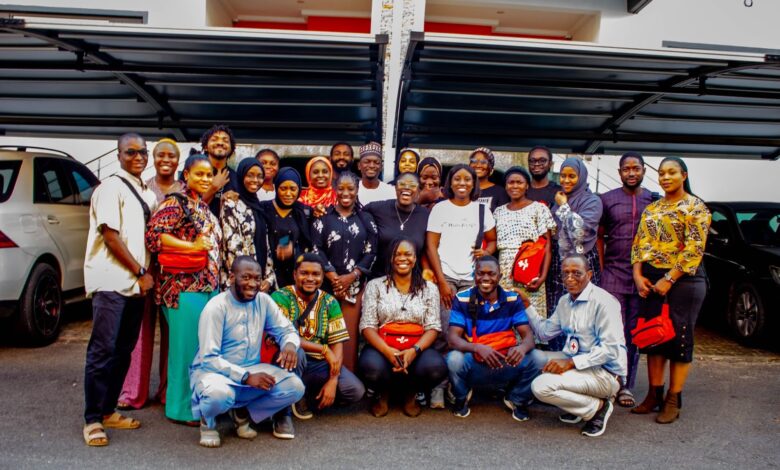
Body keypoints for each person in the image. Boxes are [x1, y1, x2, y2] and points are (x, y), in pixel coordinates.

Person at [82, 133, 157, 446]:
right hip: (112, 281)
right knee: (102, 349)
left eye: (142, 152)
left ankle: (109, 409)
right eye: (131, 152)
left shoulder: (146, 192)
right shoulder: (111, 187)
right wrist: (140, 271)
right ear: (119, 154)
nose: (138, 157)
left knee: (124, 350)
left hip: (134, 286)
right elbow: (110, 237)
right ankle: (92, 420)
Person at [190, 256, 304, 447]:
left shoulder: (263, 301)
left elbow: (286, 330)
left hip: (251, 367)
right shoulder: (216, 307)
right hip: (214, 373)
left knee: (295, 387)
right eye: (246, 277)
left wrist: (290, 344)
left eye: (257, 278)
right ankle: (208, 422)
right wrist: (246, 377)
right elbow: (208, 358)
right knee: (218, 395)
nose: (252, 284)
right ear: (232, 278)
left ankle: (242, 413)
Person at [630, 156, 711, 424]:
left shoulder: (695, 207)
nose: (665, 177)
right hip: (652, 279)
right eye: (662, 173)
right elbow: (640, 243)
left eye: (671, 173)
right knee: (654, 338)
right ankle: (654, 394)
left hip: (684, 280)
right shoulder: (652, 209)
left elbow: (693, 250)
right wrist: (638, 275)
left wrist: (670, 278)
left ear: (683, 175)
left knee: (679, 340)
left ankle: (673, 399)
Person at [145, 153, 222, 425]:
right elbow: (154, 236)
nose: (204, 178)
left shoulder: (200, 205)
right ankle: (182, 409)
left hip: (205, 286)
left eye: (209, 174)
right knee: (185, 351)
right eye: (198, 173)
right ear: (186, 175)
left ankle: (195, 402)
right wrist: (192, 247)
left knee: (198, 349)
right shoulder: (175, 202)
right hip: (182, 288)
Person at [528, 254, 628, 438]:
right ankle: (578, 408)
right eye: (565, 274)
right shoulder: (565, 301)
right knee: (533, 359)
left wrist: (571, 363)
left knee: (540, 386)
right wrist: (527, 306)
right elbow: (544, 332)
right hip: (577, 364)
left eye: (576, 273)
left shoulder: (604, 302)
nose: (570, 279)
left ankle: (597, 408)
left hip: (606, 374)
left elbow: (610, 350)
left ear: (589, 274)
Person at [117, 139, 183, 411]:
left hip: (175, 271)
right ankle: (133, 392)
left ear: (179, 161)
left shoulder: (186, 190)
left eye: (172, 156)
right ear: (153, 159)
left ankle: (168, 390)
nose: (165, 159)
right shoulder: (142, 188)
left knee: (173, 333)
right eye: (160, 155)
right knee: (140, 330)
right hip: (145, 267)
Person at [426, 163, 496, 408]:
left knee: (470, 334)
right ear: (450, 183)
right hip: (446, 278)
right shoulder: (440, 209)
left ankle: (461, 386)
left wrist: (485, 251)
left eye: (468, 179)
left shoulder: (482, 210)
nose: (462, 183)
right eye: (457, 179)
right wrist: (442, 282)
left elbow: (492, 241)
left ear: (474, 183)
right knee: (444, 335)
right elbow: (431, 246)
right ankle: (438, 387)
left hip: (472, 279)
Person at [446, 256, 542, 422]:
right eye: (480, 273)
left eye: (491, 274)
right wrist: (477, 347)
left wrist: (521, 348)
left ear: (500, 276)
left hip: (504, 360)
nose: (485, 278)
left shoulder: (512, 299)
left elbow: (528, 338)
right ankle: (461, 397)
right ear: (473, 275)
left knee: (538, 358)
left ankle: (516, 398)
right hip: (476, 361)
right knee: (454, 359)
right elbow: (453, 339)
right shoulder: (462, 299)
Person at [358, 238, 447, 417]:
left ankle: (410, 395)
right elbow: (367, 326)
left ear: (415, 259)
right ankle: (383, 395)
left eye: (408, 254)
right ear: (390, 258)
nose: (402, 258)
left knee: (436, 367)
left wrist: (413, 351)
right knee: (370, 367)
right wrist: (388, 352)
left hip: (416, 345)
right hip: (384, 344)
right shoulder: (376, 286)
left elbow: (433, 327)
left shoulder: (429, 288)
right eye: (397, 254)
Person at [271, 253, 365, 420]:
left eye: (315, 274)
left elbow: (337, 343)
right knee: (295, 352)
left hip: (318, 365)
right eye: (304, 273)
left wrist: (334, 380)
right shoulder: (280, 297)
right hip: (288, 360)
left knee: (354, 390)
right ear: (294, 275)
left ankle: (310, 395)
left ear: (322, 277)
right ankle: (293, 399)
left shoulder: (329, 302)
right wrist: (323, 349)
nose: (310, 278)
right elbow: (286, 337)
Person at [597, 151, 656, 408]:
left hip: (642, 276)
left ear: (644, 170)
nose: (631, 173)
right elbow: (599, 236)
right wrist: (600, 269)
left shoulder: (654, 201)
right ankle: (607, 380)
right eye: (626, 169)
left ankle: (626, 386)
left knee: (634, 332)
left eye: (636, 168)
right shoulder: (607, 200)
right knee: (611, 330)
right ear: (620, 172)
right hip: (613, 272)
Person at [311, 171, 378, 371]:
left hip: (354, 289)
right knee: (322, 332)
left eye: (351, 189)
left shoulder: (366, 219)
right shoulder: (322, 217)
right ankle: (322, 378)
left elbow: (372, 251)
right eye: (341, 188)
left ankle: (346, 385)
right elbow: (316, 249)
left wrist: (352, 276)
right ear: (335, 189)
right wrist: (333, 278)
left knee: (347, 337)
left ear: (357, 190)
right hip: (325, 287)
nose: (346, 193)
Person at [549, 157, 603, 334]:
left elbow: (580, 233)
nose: (565, 180)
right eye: (563, 176)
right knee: (560, 312)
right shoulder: (556, 201)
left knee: (583, 314)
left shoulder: (592, 201)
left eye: (571, 176)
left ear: (581, 177)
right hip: (560, 264)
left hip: (583, 261)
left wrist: (564, 206)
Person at [494, 166, 556, 316]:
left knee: (531, 316)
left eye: (519, 182)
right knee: (507, 315)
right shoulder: (498, 211)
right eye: (511, 182)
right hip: (505, 272)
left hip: (531, 270)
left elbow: (547, 245)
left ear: (527, 185)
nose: (515, 186)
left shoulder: (538, 209)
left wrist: (542, 277)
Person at [220, 158, 275, 292]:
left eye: (259, 176)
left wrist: (268, 278)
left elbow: (265, 244)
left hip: (258, 281)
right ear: (241, 176)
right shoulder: (231, 204)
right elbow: (232, 246)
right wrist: (250, 279)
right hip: (239, 282)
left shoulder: (258, 207)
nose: (255, 180)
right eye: (250, 175)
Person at [363, 172, 429, 280]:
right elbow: (355, 214)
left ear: (419, 191)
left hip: (411, 281)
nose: (406, 188)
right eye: (402, 184)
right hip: (379, 278)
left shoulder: (426, 215)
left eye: (412, 185)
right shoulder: (377, 208)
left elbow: (428, 249)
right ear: (395, 188)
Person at [261, 167, 313, 289]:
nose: (288, 193)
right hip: (267, 276)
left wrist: (292, 249)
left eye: (293, 189)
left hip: (295, 277)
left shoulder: (304, 212)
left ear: (299, 189)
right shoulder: (264, 208)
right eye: (283, 188)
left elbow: (304, 241)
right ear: (276, 187)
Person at [200, 124, 239, 217]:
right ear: (205, 146)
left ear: (231, 149)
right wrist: (213, 187)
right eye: (214, 139)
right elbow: (185, 208)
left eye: (225, 141)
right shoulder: (194, 172)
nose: (220, 143)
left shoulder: (236, 178)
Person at [469, 147, 509, 212]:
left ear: (491, 169)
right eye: (474, 161)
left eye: (483, 162)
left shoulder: (500, 192)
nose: (478, 165)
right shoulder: (463, 189)